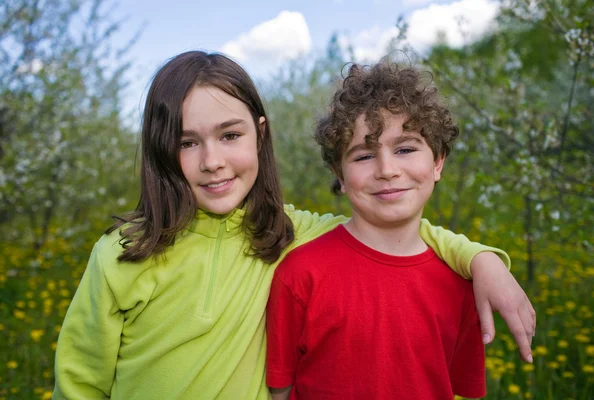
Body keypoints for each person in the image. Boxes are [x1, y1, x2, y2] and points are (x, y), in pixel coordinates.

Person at [53, 51, 534, 400]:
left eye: (230, 135)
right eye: (186, 142)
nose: (213, 161)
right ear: (162, 149)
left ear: (259, 134)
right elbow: (80, 380)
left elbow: (393, 227)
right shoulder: (123, 252)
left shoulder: (291, 233)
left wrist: (483, 260)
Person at [266, 60, 521, 399]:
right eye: (363, 156)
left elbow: (458, 388)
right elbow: (280, 391)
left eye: (404, 149)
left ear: (438, 162)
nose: (387, 170)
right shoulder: (300, 273)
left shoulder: (464, 285)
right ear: (339, 176)